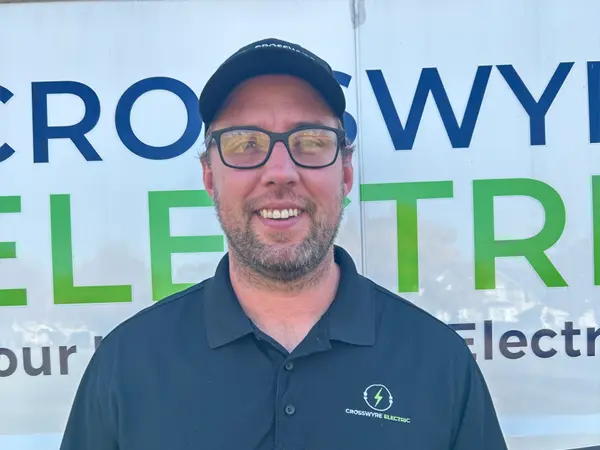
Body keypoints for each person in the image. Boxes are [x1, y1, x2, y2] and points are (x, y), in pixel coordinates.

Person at [59, 38, 508, 450]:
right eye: (245, 142)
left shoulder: (437, 362)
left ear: (345, 174)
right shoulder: (127, 366)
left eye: (310, 142)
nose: (280, 171)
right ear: (209, 176)